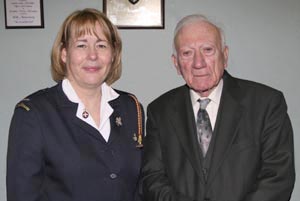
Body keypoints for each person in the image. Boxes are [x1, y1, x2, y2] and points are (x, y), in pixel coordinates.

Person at [141, 14, 295, 201]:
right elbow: (152, 179)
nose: (198, 63)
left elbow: (277, 178)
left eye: (208, 50)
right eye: (187, 53)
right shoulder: (159, 111)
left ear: (225, 55)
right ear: (176, 64)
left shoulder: (267, 104)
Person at [7, 8, 144, 201]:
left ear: (113, 54)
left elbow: (139, 189)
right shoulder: (33, 114)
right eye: (81, 45)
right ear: (64, 53)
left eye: (102, 45)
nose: (93, 55)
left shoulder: (132, 108)